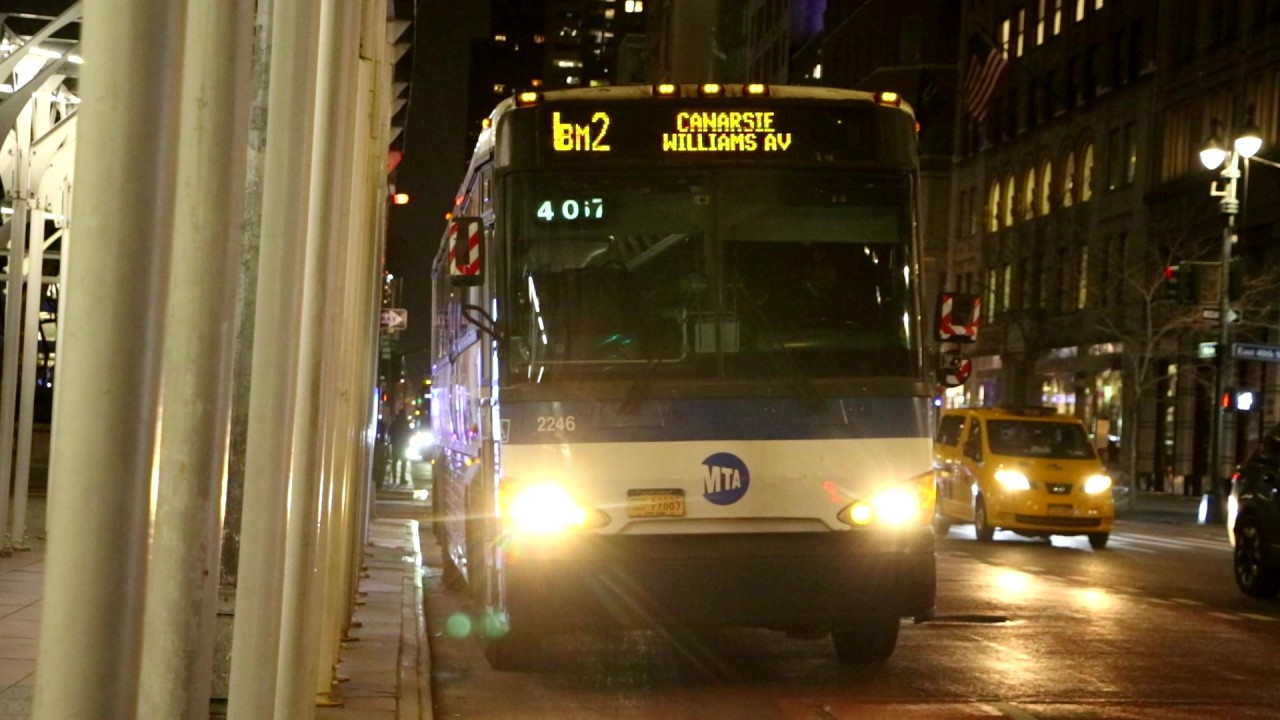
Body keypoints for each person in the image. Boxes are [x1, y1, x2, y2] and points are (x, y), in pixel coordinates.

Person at [389, 410, 413, 487]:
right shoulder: (405, 423)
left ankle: (394, 478)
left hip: (396, 444)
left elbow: (390, 432)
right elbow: (409, 432)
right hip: (403, 445)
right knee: (403, 462)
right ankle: (402, 478)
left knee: (394, 461)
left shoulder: (395, 423)